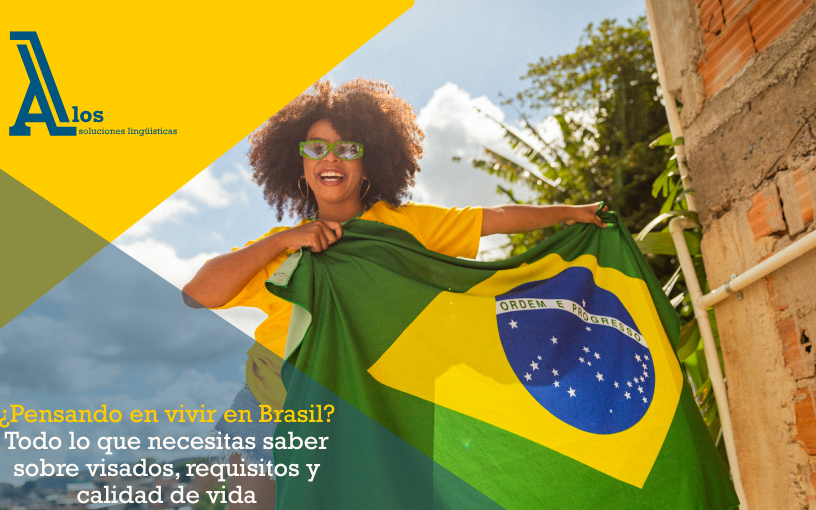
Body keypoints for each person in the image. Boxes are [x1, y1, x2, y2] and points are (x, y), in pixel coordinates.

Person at [182, 79, 606, 509]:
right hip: (267, 406)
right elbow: (197, 293)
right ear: (302, 167)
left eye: (348, 148)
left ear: (369, 165)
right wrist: (283, 241)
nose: (331, 158)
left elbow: (492, 217)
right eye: (316, 148)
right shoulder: (280, 247)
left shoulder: (405, 227)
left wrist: (568, 213)